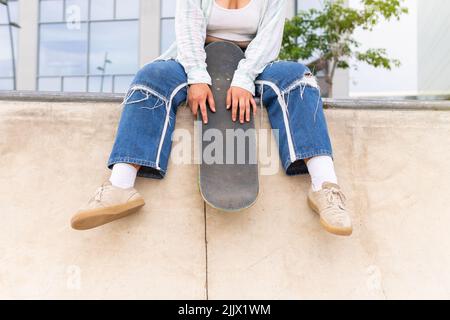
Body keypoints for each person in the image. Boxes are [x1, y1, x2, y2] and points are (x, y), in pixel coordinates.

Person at [71, 0, 352, 236]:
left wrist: (243, 79)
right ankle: (120, 186)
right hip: (196, 57)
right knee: (151, 77)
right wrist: (196, 76)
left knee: (298, 78)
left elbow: (268, 39)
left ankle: (325, 187)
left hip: (253, 63)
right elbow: (188, 29)